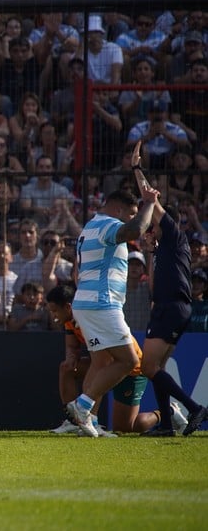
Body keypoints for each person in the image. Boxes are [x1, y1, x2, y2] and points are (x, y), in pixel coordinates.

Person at [68, 184, 158, 437]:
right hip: (101, 303)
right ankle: (82, 406)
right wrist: (149, 203)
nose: (132, 217)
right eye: (130, 212)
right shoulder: (108, 224)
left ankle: (90, 423)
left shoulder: (90, 226)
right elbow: (136, 229)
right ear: (117, 209)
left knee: (100, 362)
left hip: (86, 304)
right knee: (129, 361)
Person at [132, 144, 208, 436]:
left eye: (153, 221)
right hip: (168, 307)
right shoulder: (164, 248)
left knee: (148, 367)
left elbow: (150, 198)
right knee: (158, 368)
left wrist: (137, 168)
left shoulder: (175, 235)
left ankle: (193, 407)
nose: (149, 222)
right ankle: (166, 423)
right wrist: (151, 251)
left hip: (171, 307)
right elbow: (153, 286)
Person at [45, 284, 185, 435]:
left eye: (54, 311)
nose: (53, 316)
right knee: (67, 368)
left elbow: (104, 361)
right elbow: (72, 347)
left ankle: (168, 412)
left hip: (131, 371)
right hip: (107, 365)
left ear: (68, 307)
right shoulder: (69, 321)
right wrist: (71, 357)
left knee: (126, 427)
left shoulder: (89, 318)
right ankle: (73, 421)